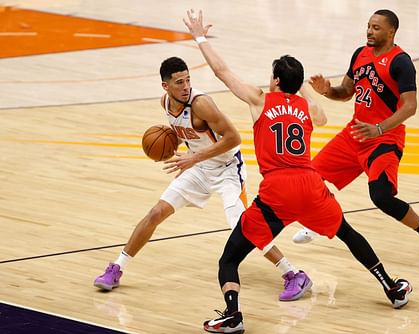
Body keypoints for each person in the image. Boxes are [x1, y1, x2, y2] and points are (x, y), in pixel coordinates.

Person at [183, 9, 412, 334]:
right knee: (348, 234)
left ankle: (233, 316)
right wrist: (302, 84)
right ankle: (391, 286)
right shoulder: (308, 108)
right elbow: (322, 117)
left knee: (229, 260)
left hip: (277, 192)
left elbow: (222, 71)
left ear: (275, 80)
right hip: (310, 185)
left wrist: (199, 37)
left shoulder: (260, 100)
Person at [93, 56, 311, 302]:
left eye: (187, 80)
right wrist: (167, 149)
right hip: (199, 167)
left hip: (228, 169)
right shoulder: (165, 103)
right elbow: (186, 135)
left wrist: (193, 158)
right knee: (156, 213)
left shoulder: (202, 104)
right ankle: (117, 268)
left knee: (244, 227)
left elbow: (233, 138)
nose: (185, 86)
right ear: (166, 86)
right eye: (179, 82)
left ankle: (293, 273)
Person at [293, 9, 419, 275]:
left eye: (376, 28)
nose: (369, 31)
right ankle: (321, 219)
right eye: (368, 26)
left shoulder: (401, 62)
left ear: (391, 32)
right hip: (356, 133)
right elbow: (345, 93)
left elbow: (410, 107)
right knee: (311, 178)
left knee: (382, 197)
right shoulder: (360, 54)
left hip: (384, 137)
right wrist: (327, 91)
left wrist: (379, 128)